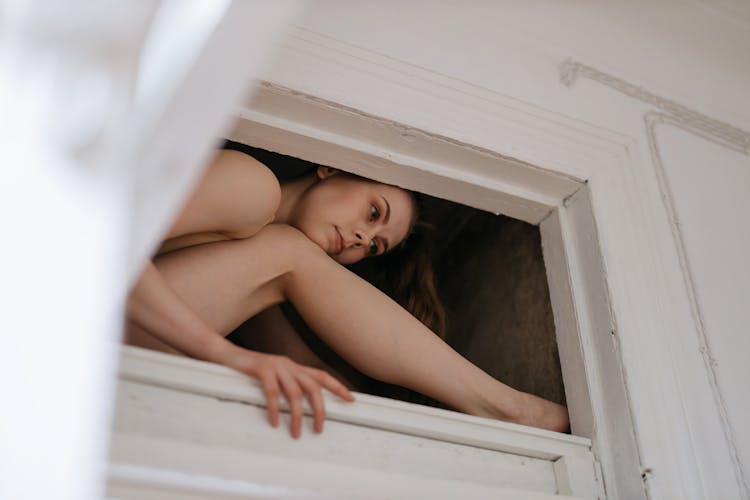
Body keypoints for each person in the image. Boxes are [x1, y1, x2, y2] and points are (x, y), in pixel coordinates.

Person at [125, 148, 569, 439]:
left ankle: (502, 409)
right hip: (71, 313)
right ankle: (507, 407)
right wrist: (226, 355)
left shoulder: (259, 265)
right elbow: (103, 243)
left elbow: (309, 369)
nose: (361, 239)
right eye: (373, 212)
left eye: (374, 246)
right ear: (332, 167)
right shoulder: (252, 189)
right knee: (287, 250)